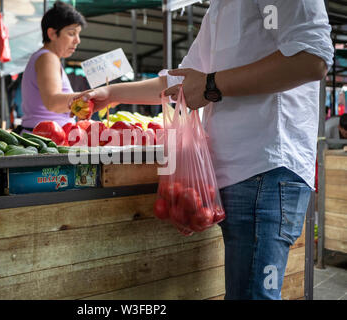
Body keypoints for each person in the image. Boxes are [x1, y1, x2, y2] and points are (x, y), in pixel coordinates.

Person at [78, 1, 333, 299]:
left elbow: (312, 57)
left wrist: (212, 85)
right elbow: (182, 80)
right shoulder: (220, 7)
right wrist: (112, 94)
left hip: (265, 170)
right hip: (239, 177)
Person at [17, 1, 86, 134]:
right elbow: (53, 102)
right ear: (52, 34)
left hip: (46, 137)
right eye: (71, 33)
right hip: (46, 140)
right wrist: (91, 97)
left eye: (78, 34)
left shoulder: (46, 57)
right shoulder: (47, 58)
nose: (77, 40)